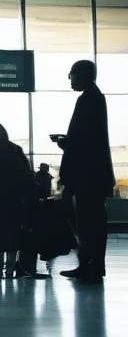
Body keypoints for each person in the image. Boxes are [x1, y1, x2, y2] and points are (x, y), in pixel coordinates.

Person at [54, 59, 115, 283]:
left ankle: (90, 264)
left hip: (87, 175)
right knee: (92, 221)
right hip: (93, 174)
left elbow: (84, 141)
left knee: (88, 222)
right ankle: (92, 264)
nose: (69, 79)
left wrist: (65, 144)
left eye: (71, 74)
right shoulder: (94, 98)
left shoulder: (89, 99)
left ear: (82, 74)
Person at [0, 121, 33, 282]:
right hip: (14, 199)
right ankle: (10, 269)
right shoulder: (15, 149)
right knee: (12, 235)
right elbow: (27, 175)